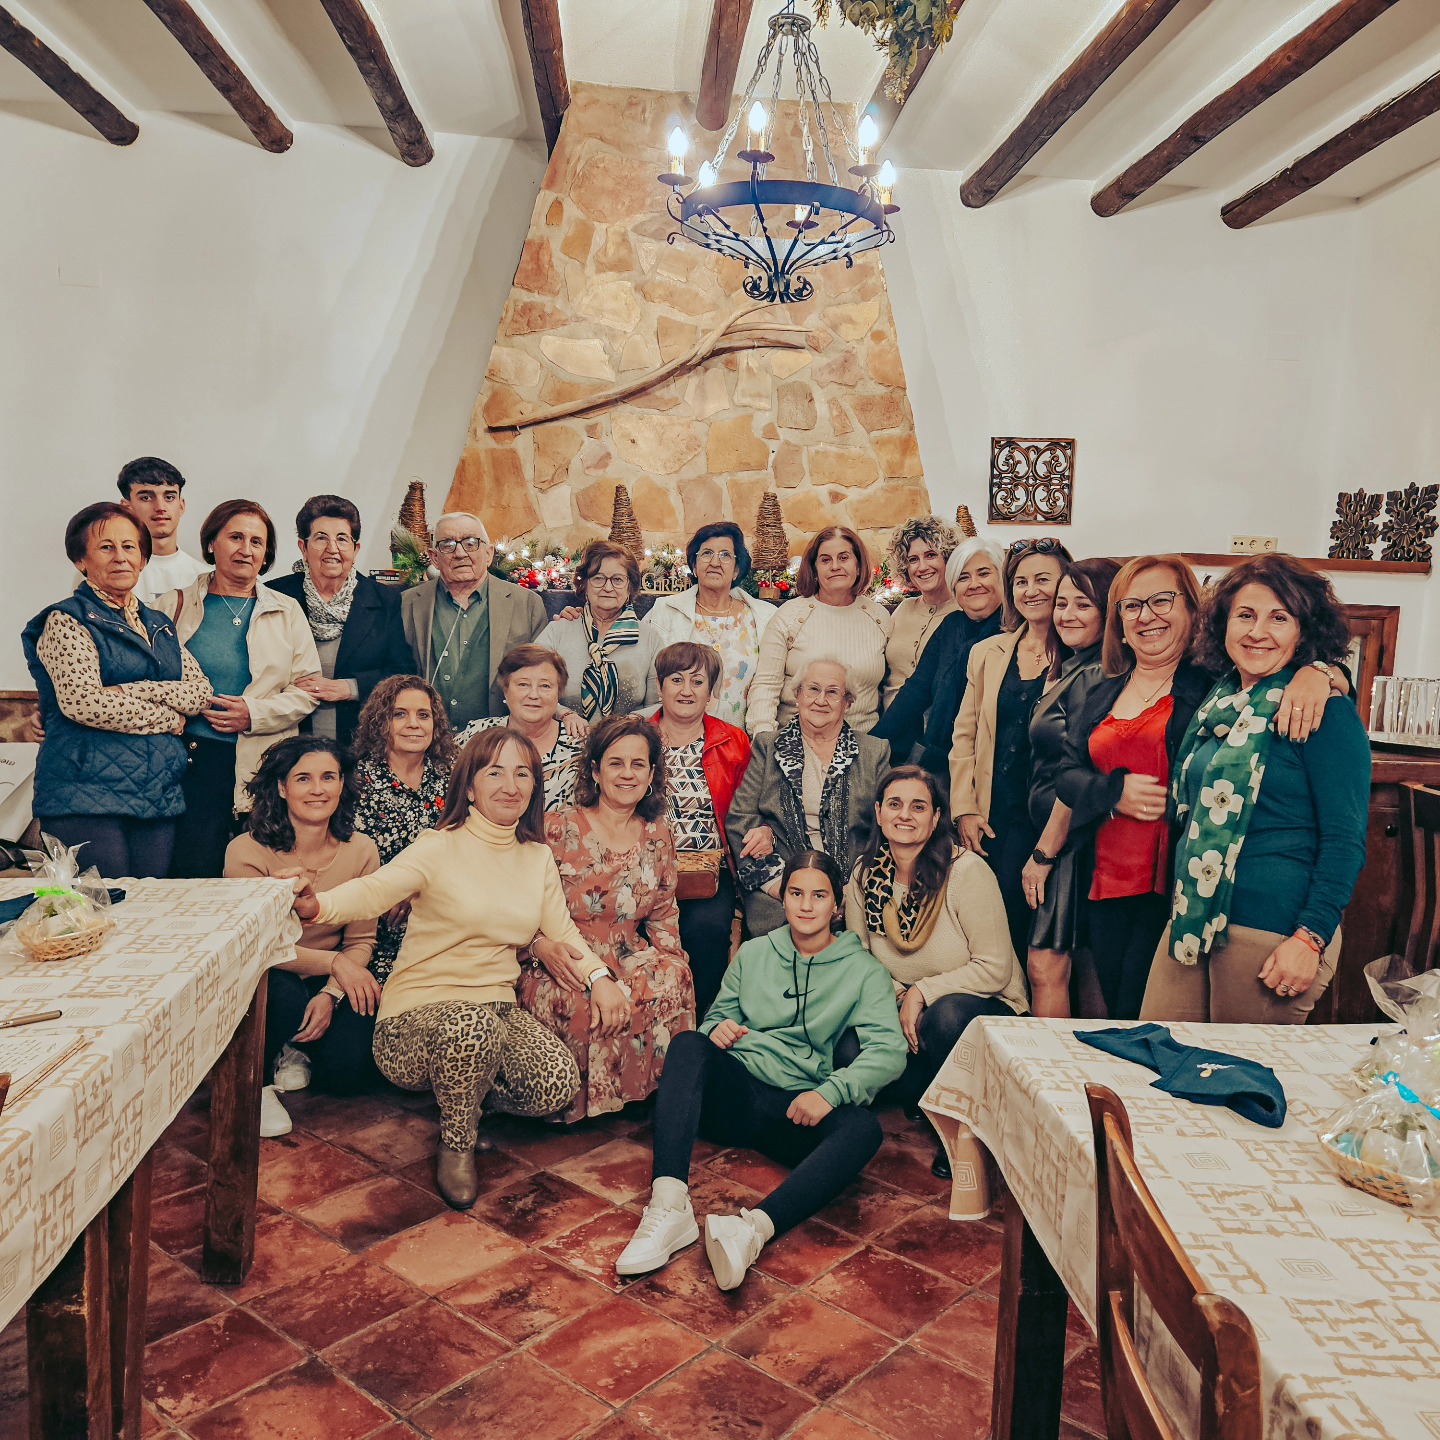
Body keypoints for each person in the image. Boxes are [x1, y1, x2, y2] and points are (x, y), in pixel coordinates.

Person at [292, 728, 591, 1208]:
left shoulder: (536, 858)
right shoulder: (439, 845)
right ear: (470, 786)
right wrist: (316, 906)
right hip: (416, 1015)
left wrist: (602, 980)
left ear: (535, 787)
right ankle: (456, 1143)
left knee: (556, 1083)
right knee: (470, 1028)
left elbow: (565, 934)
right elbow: (374, 890)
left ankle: (466, 1106)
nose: (510, 785)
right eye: (494, 772)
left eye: (522, 773)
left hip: (495, 1008)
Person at [1055, 555, 1341, 1020]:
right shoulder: (1101, 689)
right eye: (1132, 606)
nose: (1147, 615)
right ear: (1120, 623)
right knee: (1123, 1015)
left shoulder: (1216, 687)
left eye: (1162, 600)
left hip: (1177, 888)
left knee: (1151, 1023)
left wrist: (1326, 672)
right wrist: (1111, 793)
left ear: (1195, 612)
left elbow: (1284, 675)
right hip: (1106, 879)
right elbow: (1067, 771)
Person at [615, 850, 906, 1291]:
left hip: (797, 1111)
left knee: (864, 1129)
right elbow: (716, 1017)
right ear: (783, 899)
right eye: (796, 893)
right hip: (737, 1096)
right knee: (689, 1043)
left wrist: (831, 1093)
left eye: (819, 895)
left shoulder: (865, 972)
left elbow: (889, 1052)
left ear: (837, 905)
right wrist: (718, 1030)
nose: (806, 905)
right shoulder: (754, 953)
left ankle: (751, 1232)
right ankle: (669, 1204)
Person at [1141, 554, 1369, 1025]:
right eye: (1245, 615)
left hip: (1275, 930)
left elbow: (1345, 841)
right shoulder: (1220, 701)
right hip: (1194, 918)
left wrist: (1310, 939)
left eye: (1278, 618)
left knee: (1230, 1088)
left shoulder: (1323, 712)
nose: (1257, 631)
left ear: (1304, 631)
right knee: (1153, 1060)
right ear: (1223, 625)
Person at [844, 767, 1028, 1176]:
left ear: (935, 817)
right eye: (894, 804)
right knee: (846, 1050)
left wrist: (922, 992)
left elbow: (995, 969)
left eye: (918, 806)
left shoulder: (966, 873)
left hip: (981, 1011)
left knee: (945, 1018)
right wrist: (897, 995)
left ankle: (964, 1132)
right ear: (877, 812)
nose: (904, 815)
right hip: (903, 1012)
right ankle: (927, 1089)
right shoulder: (862, 876)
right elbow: (857, 960)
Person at [21, 503, 213, 878]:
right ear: (81, 560)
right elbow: (84, 703)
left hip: (156, 794)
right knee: (100, 913)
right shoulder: (66, 619)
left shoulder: (159, 624)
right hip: (84, 795)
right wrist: (169, 717)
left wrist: (133, 689)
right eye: (106, 547)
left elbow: (200, 691)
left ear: (143, 560)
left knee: (148, 912)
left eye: (129, 547)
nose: (120, 557)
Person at [523, 715, 693, 1123]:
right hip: (564, 955)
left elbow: (664, 913)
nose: (628, 774)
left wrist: (673, 961)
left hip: (627, 951)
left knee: (675, 977)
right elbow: (518, 905)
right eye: (616, 763)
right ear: (595, 770)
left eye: (638, 764)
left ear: (652, 773)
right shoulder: (556, 828)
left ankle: (648, 1095)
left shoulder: (658, 833)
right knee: (578, 1003)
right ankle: (574, 1104)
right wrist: (537, 947)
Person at [225, 737, 381, 1138]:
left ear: (342, 784)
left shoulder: (362, 849)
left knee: (350, 1073)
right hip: (269, 973)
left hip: (329, 977)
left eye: (329, 777)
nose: (318, 789)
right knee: (285, 995)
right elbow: (256, 947)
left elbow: (362, 940)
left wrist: (331, 992)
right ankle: (257, 1084)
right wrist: (333, 964)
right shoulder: (246, 851)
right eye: (303, 779)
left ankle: (296, 1047)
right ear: (281, 787)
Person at [171, 500, 321, 878]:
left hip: (265, 761)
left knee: (258, 874)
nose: (246, 549)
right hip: (190, 760)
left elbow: (307, 690)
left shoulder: (287, 610)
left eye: (257, 541)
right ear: (211, 544)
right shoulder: (173, 604)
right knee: (194, 870)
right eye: (235, 537)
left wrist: (252, 714)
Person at [951, 538, 1073, 960]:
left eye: (1043, 579)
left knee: (1041, 941)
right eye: (1020, 581)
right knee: (991, 929)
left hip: (1052, 818)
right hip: (994, 816)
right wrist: (964, 808)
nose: (1031, 590)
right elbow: (963, 736)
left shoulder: (1081, 655)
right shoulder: (986, 653)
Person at [1020, 558, 1119, 1018]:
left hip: (1072, 843)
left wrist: (1044, 853)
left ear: (1108, 612)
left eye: (1084, 604)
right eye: (1062, 603)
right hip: (1063, 841)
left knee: (1049, 967)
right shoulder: (1075, 666)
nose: (1067, 614)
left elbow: (1078, 769)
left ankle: (1054, 1080)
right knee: (1078, 968)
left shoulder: (1098, 673)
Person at [727, 659, 890, 936]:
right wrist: (783, 888)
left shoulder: (874, 752)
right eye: (813, 689)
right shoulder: (768, 747)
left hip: (854, 895)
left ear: (847, 701)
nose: (820, 700)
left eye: (833, 692)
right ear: (797, 694)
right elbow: (740, 820)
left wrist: (853, 890)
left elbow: (886, 830)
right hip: (782, 899)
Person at [649, 641, 753, 1015]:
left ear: (711, 693)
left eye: (697, 681)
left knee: (707, 933)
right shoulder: (638, 738)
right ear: (660, 686)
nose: (686, 690)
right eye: (676, 679)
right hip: (645, 870)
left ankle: (703, 1022)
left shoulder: (733, 740)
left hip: (709, 870)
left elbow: (747, 810)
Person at [268, 495, 411, 746]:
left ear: (355, 550)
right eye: (321, 538)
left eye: (342, 539)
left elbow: (402, 673)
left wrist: (349, 688)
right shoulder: (275, 596)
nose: (332, 548)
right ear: (303, 547)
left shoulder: (384, 599)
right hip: (287, 738)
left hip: (360, 742)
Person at [352, 674, 459, 983]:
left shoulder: (452, 778)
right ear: (379, 722)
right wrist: (396, 891)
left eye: (423, 715)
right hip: (377, 924)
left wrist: (419, 891)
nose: (414, 724)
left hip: (445, 911)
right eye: (400, 714)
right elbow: (351, 860)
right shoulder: (357, 781)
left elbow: (467, 847)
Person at [400, 511, 548, 732]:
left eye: (471, 543)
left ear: (488, 554)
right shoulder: (409, 603)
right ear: (434, 558)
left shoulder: (527, 604)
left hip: (500, 741)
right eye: (448, 545)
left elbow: (544, 679)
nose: (460, 553)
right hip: (427, 741)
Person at [873, 538, 1006, 775]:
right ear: (954, 586)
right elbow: (917, 688)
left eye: (983, 574)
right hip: (941, 757)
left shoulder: (1013, 630)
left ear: (1002, 578)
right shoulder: (952, 626)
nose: (974, 584)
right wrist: (871, 746)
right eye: (963, 578)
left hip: (995, 763)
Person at [747, 527, 892, 736]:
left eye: (844, 558)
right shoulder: (789, 616)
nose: (835, 566)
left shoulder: (879, 618)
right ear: (814, 569)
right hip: (794, 745)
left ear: (858, 566)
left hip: (863, 745)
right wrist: (764, 738)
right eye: (825, 560)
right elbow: (766, 684)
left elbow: (890, 688)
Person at [645, 522, 777, 727]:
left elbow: (770, 684)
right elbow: (647, 667)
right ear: (695, 566)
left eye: (725, 555)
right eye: (706, 553)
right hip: (677, 734)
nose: (715, 562)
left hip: (740, 740)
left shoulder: (762, 616)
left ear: (736, 570)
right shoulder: (666, 610)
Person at [536, 541, 663, 719]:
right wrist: (563, 714)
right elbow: (528, 686)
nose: (608, 587)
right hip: (563, 739)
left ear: (630, 587)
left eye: (617, 579)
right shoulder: (558, 630)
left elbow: (659, 703)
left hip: (628, 739)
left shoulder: (650, 638)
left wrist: (633, 722)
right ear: (585, 584)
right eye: (598, 578)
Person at [455, 645, 585, 810]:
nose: (533, 695)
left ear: (558, 693)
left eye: (545, 686)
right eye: (523, 684)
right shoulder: (476, 735)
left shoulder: (581, 746)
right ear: (506, 691)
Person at [882, 516, 958, 708]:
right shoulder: (903, 609)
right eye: (913, 560)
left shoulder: (964, 612)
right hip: (889, 730)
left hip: (937, 733)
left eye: (931, 555)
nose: (922, 567)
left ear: (948, 557)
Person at [117, 457, 205, 610]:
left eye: (169, 497)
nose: (160, 507)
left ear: (181, 505)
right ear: (126, 508)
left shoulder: (206, 577)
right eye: (146, 497)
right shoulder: (106, 572)